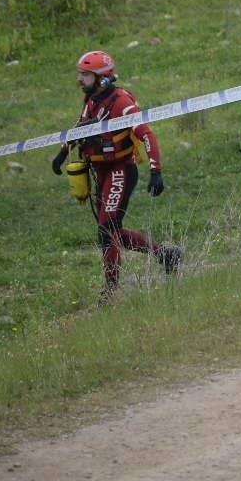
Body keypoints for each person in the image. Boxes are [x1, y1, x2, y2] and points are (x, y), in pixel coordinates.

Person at [51, 51, 180, 302]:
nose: (80, 79)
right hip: (99, 171)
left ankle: (110, 291)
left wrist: (156, 171)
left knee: (106, 229)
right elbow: (81, 127)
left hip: (120, 170)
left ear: (102, 79)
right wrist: (62, 152)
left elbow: (147, 134)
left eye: (85, 74)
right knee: (112, 231)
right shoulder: (91, 100)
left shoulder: (122, 101)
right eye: (80, 73)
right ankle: (166, 255)